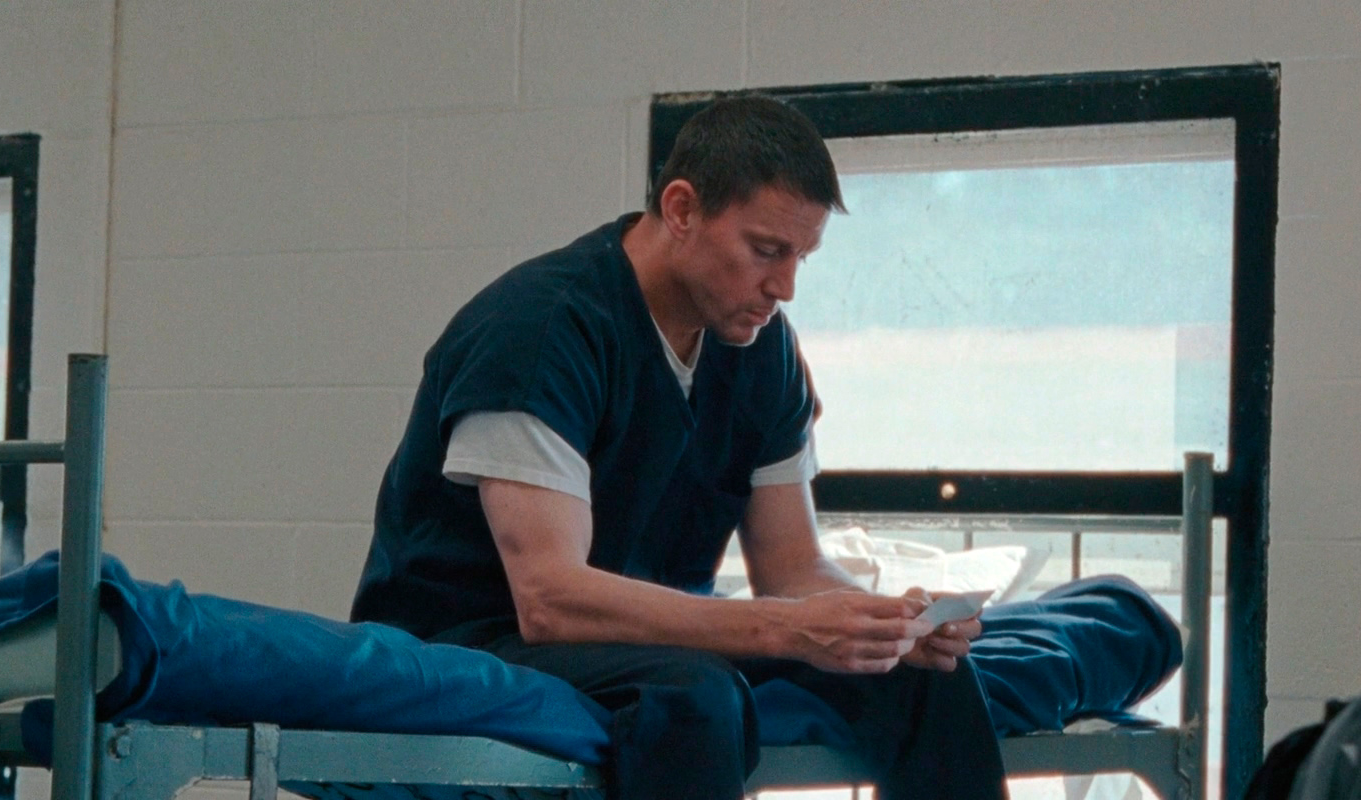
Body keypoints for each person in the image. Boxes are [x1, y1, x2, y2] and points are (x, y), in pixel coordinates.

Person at [351, 95, 1007, 800]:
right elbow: (549, 601)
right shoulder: (538, 330)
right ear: (683, 209)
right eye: (766, 251)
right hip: (473, 639)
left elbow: (793, 568)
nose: (785, 287)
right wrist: (785, 628)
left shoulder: (761, 349)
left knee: (922, 678)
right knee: (692, 695)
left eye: (801, 257)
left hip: (644, 641)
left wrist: (888, 624)